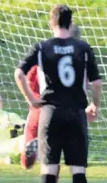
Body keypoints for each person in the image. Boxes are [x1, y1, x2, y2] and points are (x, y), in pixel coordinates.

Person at [15, 4, 102, 183]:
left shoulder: (43, 47)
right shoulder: (83, 47)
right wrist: (95, 104)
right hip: (76, 113)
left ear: (51, 22)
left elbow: (19, 73)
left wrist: (33, 99)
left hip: (50, 112)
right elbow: (96, 82)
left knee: (49, 169)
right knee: (78, 170)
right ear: (70, 23)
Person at [21, 24, 82, 171]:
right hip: (67, 111)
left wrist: (33, 100)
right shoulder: (80, 58)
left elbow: (27, 79)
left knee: (29, 162)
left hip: (41, 107)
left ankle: (29, 150)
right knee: (55, 156)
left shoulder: (45, 53)